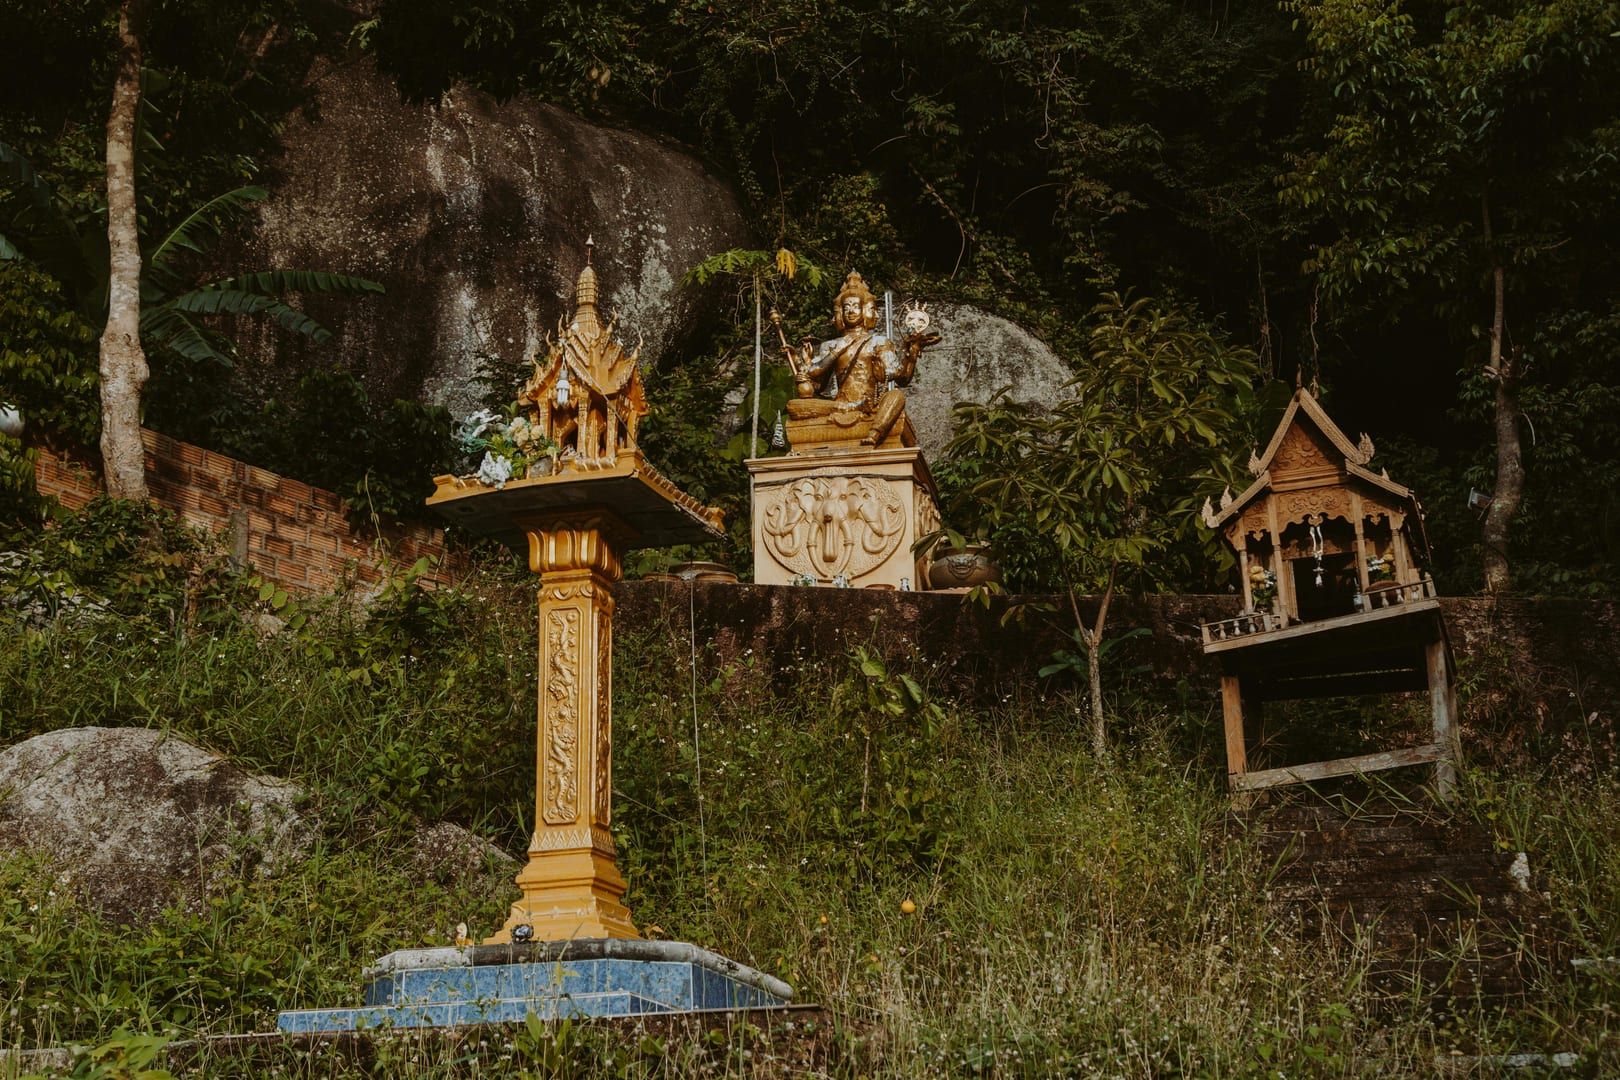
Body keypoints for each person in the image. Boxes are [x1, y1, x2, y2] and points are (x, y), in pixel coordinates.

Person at [784, 271, 938, 447]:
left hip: (870, 405)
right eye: (846, 307)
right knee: (794, 406)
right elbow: (817, 387)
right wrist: (798, 362)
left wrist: (912, 353)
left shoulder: (878, 342)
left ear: (866, 310)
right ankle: (852, 411)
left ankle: (875, 433)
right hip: (838, 407)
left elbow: (901, 377)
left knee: (896, 396)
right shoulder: (830, 345)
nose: (850, 310)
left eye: (855, 306)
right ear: (839, 312)